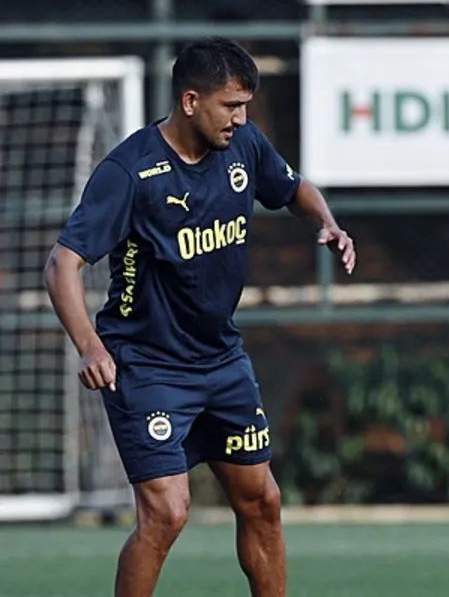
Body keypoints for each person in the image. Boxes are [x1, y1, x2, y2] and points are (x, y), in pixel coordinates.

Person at [43, 37, 356, 597]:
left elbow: (294, 188)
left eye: (245, 106)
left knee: (263, 501)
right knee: (167, 513)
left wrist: (325, 222)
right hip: (146, 364)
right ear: (190, 101)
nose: (241, 119)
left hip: (220, 359)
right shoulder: (130, 172)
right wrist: (90, 346)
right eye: (230, 106)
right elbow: (61, 264)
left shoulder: (244, 146)